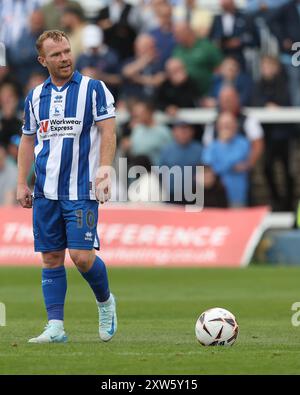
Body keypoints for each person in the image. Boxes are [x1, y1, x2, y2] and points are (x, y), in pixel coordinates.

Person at [17, 30, 117, 344]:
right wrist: (22, 182)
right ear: (42, 60)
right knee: (50, 258)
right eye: (57, 54)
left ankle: (105, 303)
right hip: (46, 191)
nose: (64, 58)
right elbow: (27, 139)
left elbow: (108, 131)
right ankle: (56, 327)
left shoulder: (94, 89)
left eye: (67, 51)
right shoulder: (35, 96)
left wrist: (104, 169)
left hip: (82, 191)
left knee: (82, 256)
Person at [203, 112, 250, 207]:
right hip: (216, 197)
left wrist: (219, 164)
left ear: (235, 126)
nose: (226, 128)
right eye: (223, 125)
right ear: (217, 127)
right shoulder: (212, 146)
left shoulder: (243, 143)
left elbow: (234, 160)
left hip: (237, 196)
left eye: (229, 125)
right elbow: (208, 167)